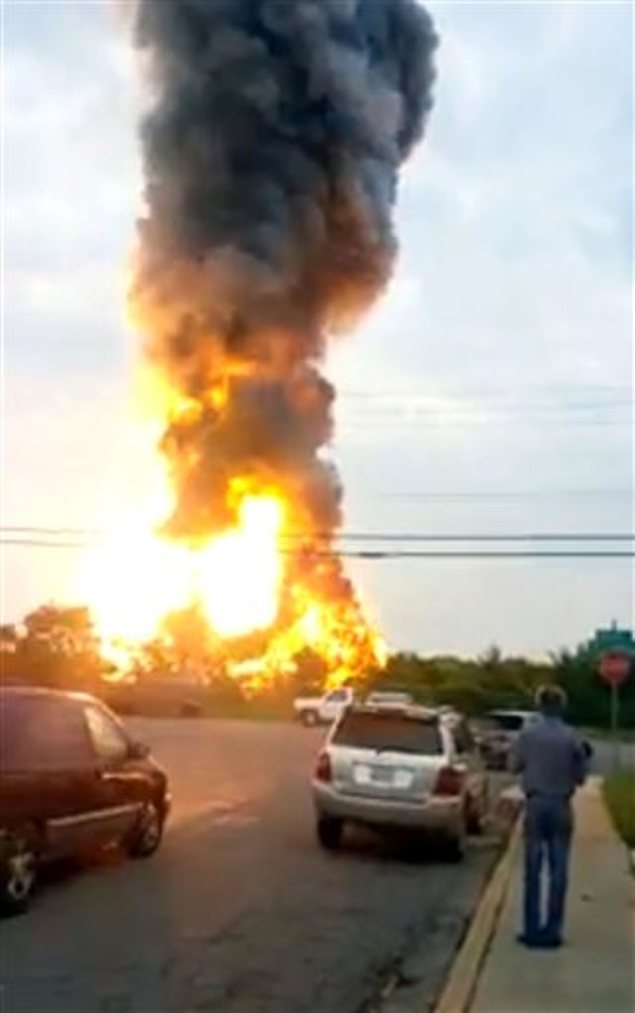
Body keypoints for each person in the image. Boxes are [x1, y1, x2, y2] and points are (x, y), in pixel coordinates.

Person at [511, 684, 588, 949]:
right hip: (561, 804)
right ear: (561, 706)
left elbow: (514, 766)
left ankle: (531, 929)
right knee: (559, 870)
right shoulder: (572, 737)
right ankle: (552, 930)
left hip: (535, 802)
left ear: (539, 705)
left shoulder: (528, 734)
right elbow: (581, 777)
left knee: (532, 869)